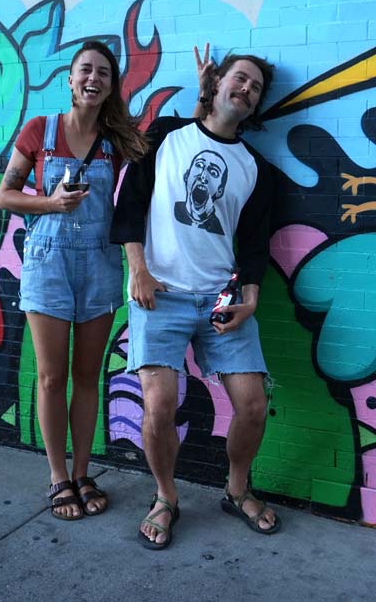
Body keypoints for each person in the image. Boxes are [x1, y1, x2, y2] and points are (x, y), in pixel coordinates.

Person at [111, 44, 281, 549]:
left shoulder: (257, 169)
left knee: (252, 404)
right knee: (159, 404)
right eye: (240, 78)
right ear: (217, 84)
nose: (246, 89)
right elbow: (131, 204)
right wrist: (137, 270)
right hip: (158, 293)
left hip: (221, 301)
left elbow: (254, 246)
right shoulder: (165, 135)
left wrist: (250, 299)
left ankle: (235, 489)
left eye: (255, 87)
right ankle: (166, 498)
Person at [0, 41, 147, 521]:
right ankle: (58, 476)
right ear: (69, 77)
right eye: (86, 69)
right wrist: (50, 203)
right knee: (51, 376)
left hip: (99, 267)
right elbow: (6, 195)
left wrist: (207, 95)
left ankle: (84, 472)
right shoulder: (40, 132)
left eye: (104, 72)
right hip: (48, 265)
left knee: (87, 377)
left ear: (111, 85)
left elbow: (163, 151)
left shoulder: (116, 142)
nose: (94, 78)